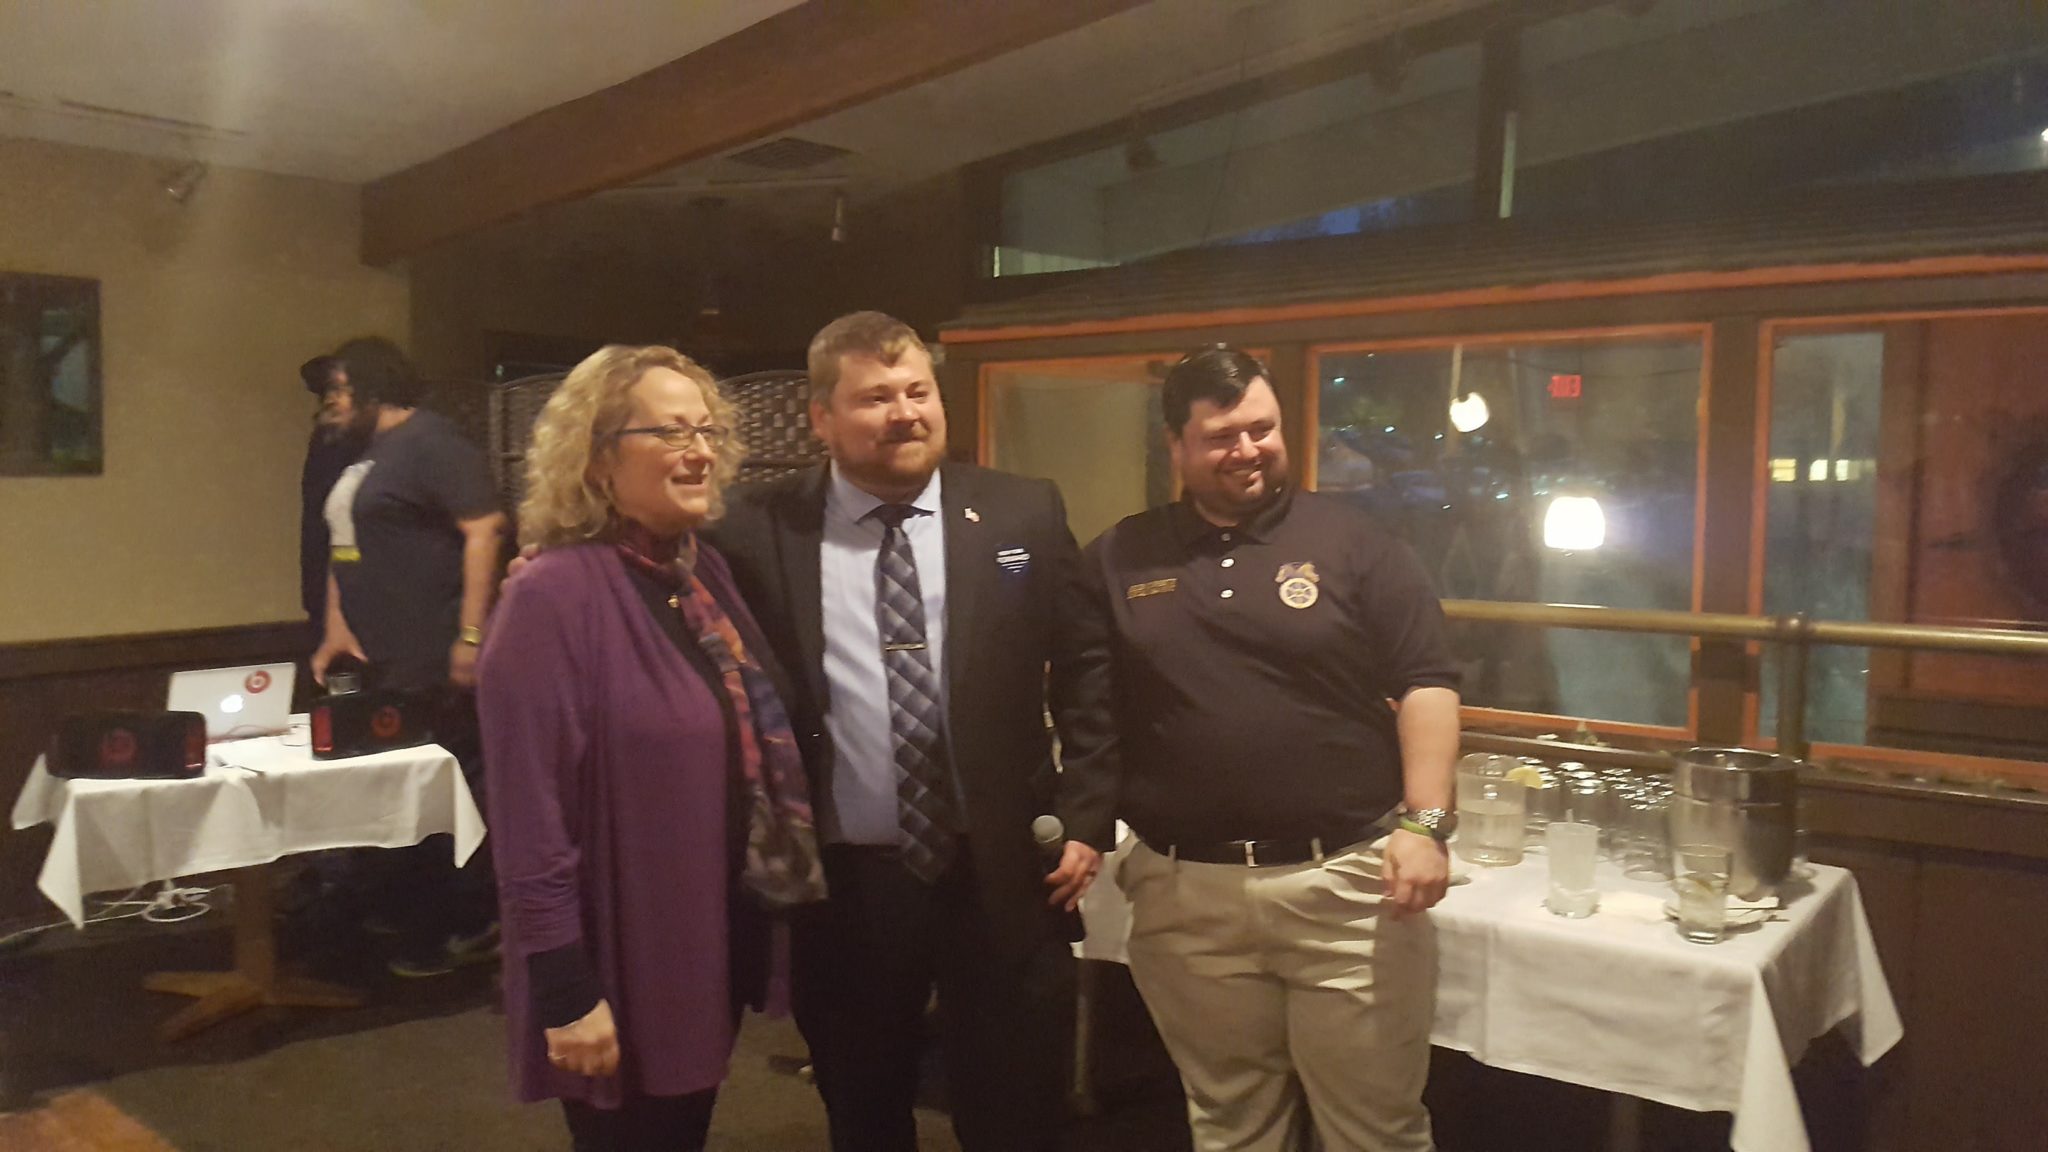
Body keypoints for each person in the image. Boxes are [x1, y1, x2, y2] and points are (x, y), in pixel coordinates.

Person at [707, 311, 1117, 1152]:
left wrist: (1087, 814)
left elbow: (1088, 670)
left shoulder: (1021, 513)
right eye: (874, 397)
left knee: (1014, 1112)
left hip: (1002, 874)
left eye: (917, 390)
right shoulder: (751, 528)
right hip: (849, 885)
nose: (905, 412)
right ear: (821, 417)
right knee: (864, 1108)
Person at [1081, 346, 1461, 1152]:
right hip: (1186, 896)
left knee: (1375, 1130)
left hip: (1348, 891)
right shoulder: (1120, 555)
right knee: (1230, 1124)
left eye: (1262, 428)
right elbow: (1086, 707)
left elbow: (1427, 682)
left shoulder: (1356, 542)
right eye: (1221, 436)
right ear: (1176, 447)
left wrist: (1426, 824)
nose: (1248, 450)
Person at [479, 345, 825, 1152]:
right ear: (599, 460)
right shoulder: (550, 598)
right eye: (668, 433)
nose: (699, 451)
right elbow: (529, 822)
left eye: (706, 431)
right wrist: (565, 990)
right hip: (619, 963)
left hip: (701, 946)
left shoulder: (702, 577)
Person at [311, 336, 506, 975]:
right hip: (380, 659)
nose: (327, 406)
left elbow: (485, 529)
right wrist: (337, 629)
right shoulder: (365, 459)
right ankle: (405, 913)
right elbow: (345, 549)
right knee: (397, 792)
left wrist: (471, 636)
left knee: (450, 790)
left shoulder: (433, 442)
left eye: (336, 391)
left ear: (371, 386)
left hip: (430, 652)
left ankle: (468, 922)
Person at [299, 354, 367, 634]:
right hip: (326, 585)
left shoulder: (370, 446)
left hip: (361, 591)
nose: (329, 399)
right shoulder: (325, 442)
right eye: (327, 392)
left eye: (339, 390)